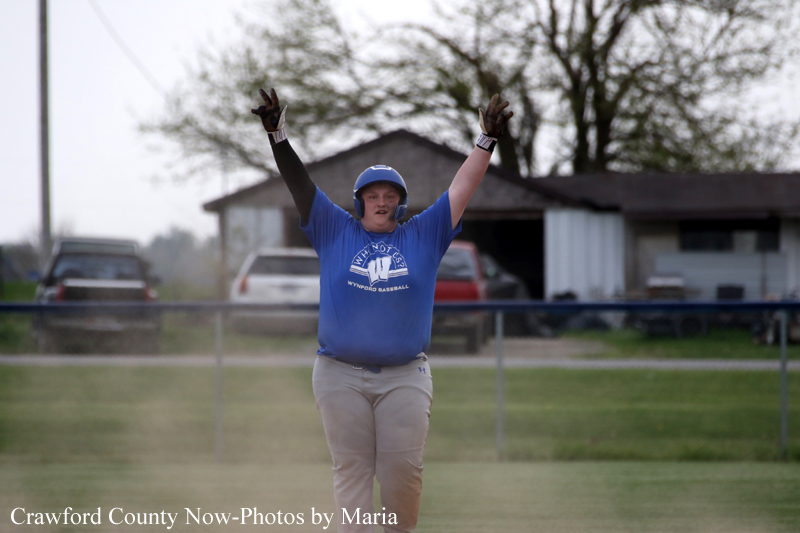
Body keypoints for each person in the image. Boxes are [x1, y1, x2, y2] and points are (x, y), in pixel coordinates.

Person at [251, 87, 512, 533]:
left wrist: (485, 141)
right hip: (338, 372)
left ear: (400, 201)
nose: (381, 201)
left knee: (402, 478)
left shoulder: (422, 235)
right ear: (359, 200)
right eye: (372, 194)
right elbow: (300, 185)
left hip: (405, 374)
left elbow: (460, 189)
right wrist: (277, 134)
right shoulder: (335, 229)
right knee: (352, 475)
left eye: (390, 195)